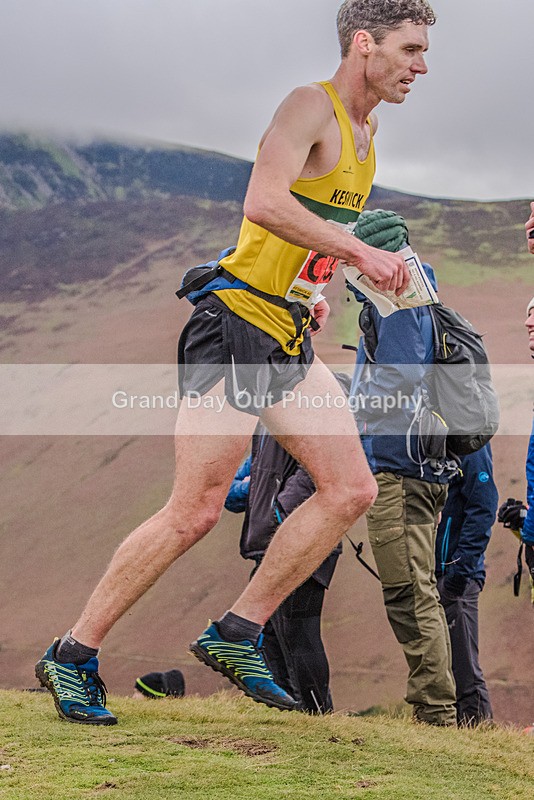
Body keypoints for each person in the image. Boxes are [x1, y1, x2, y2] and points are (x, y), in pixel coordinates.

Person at [36, 0, 436, 725]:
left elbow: (311, 231)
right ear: (365, 45)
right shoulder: (308, 106)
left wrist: (313, 290)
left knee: (349, 489)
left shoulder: (367, 132)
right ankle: (71, 654)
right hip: (232, 328)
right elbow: (262, 201)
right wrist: (358, 253)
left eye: (424, 51)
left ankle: (236, 632)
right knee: (192, 512)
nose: (421, 65)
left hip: (281, 330)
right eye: (410, 49)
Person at [349, 209, 458, 726]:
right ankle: (435, 706)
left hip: (399, 467)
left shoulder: (396, 301)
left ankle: (434, 712)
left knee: (409, 594)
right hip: (424, 463)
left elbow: (399, 378)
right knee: (419, 589)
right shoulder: (424, 294)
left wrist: (352, 414)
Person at [226, 378, 350, 714]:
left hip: (306, 541)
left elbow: (317, 474)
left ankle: (316, 716)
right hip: (270, 543)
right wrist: (261, 500)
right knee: (270, 634)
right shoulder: (267, 425)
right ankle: (288, 713)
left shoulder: (314, 417)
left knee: (299, 633)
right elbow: (233, 490)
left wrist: (281, 510)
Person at [435, 445, 497, 727]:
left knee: (464, 667)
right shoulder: (438, 439)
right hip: (438, 572)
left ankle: (480, 734)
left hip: (457, 576)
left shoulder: (472, 445)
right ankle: (457, 734)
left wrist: (459, 573)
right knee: (444, 664)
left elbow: (483, 507)